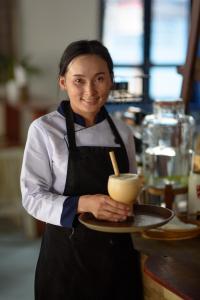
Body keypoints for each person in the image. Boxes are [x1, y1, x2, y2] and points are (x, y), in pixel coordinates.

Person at [20, 40, 143, 300]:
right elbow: (32, 197)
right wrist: (82, 203)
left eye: (100, 78)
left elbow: (131, 189)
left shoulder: (122, 132)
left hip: (118, 257)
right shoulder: (44, 130)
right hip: (67, 260)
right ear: (63, 82)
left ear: (111, 80)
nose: (90, 90)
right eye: (79, 80)